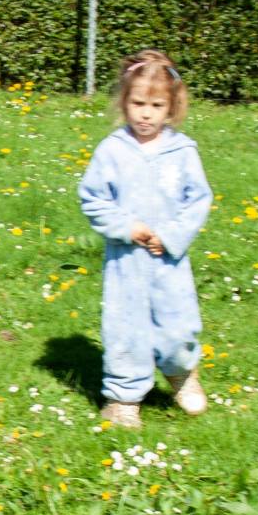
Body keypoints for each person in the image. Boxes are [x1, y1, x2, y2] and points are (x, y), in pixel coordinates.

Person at [77, 49, 214, 430]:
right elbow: (93, 198)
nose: (146, 114)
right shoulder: (112, 150)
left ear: (171, 107)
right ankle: (123, 399)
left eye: (156, 105)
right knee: (126, 329)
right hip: (126, 262)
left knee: (178, 326)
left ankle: (181, 374)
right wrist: (126, 227)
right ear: (124, 102)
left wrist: (170, 236)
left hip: (170, 261)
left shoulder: (182, 151)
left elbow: (198, 200)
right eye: (138, 103)